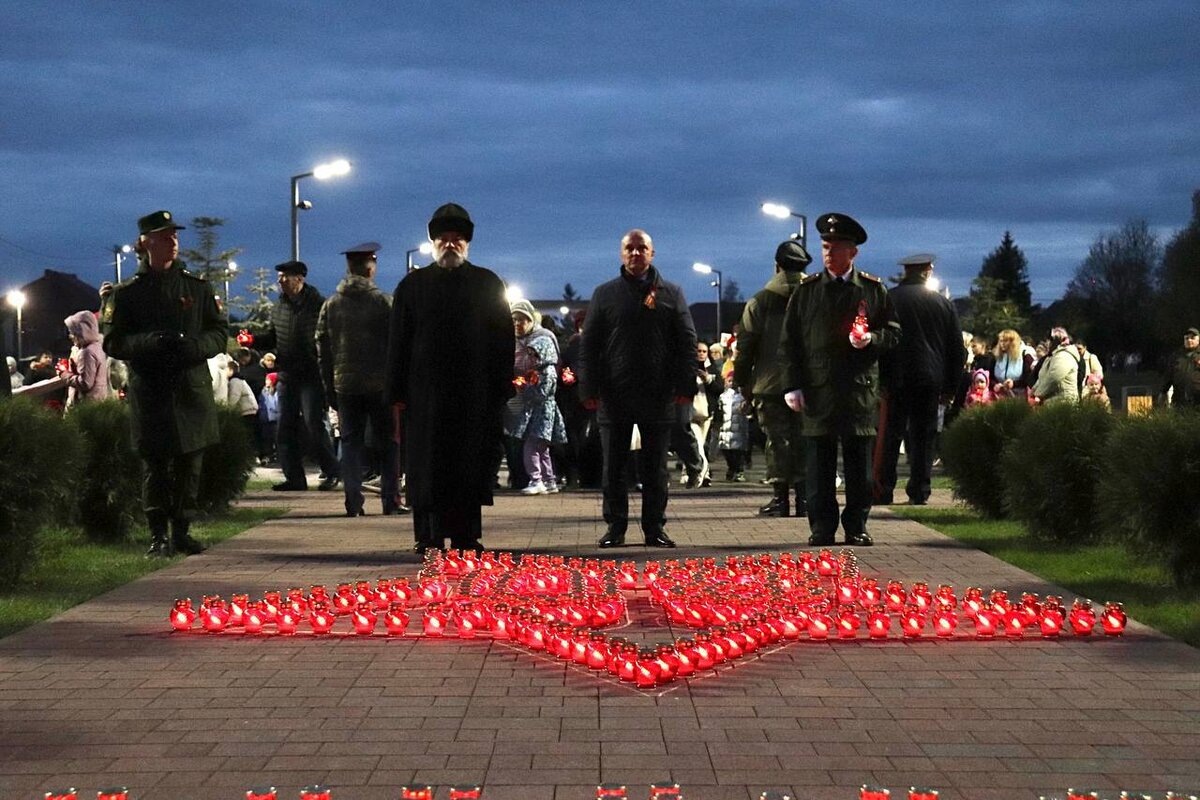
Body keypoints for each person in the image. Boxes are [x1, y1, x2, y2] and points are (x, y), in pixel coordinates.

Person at [384, 203, 514, 554]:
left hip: (474, 393)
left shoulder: (487, 283)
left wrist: (501, 386)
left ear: (467, 243)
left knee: (467, 465)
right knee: (426, 467)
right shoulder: (412, 286)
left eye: (457, 239)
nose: (451, 244)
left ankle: (466, 535)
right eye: (444, 238)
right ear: (433, 243)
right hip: (424, 395)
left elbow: (503, 339)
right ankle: (427, 535)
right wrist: (395, 391)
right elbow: (398, 341)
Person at [102, 210, 226, 557]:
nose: (172, 241)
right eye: (164, 236)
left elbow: (219, 331)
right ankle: (158, 536)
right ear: (145, 243)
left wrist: (195, 347)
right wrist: (148, 342)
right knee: (155, 467)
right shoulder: (127, 294)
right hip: (151, 389)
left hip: (190, 387)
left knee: (190, 466)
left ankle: (182, 532)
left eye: (175, 235)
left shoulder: (196, 287)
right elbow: (113, 342)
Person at [781, 212, 900, 547]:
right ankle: (821, 527)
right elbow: (789, 342)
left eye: (836, 247)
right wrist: (791, 384)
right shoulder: (807, 291)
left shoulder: (873, 290)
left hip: (857, 390)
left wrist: (871, 339)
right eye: (825, 246)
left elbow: (893, 333)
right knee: (818, 467)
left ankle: (856, 525)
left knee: (859, 467)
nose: (829, 253)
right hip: (818, 390)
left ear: (853, 252)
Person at [578, 229, 698, 549]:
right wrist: (588, 388)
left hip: (657, 394)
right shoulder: (605, 294)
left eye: (641, 248)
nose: (635, 253)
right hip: (614, 394)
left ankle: (654, 528)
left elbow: (687, 342)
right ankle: (615, 527)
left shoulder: (671, 293)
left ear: (651, 253)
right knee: (613, 468)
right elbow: (589, 345)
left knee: (655, 469)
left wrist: (686, 385)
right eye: (629, 248)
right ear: (621, 254)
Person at [316, 241, 402, 517]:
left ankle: (353, 503)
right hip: (381, 385)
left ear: (348, 268)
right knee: (388, 444)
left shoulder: (331, 304)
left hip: (345, 385)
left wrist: (329, 387)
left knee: (351, 444)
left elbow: (322, 349)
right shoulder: (384, 302)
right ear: (371, 269)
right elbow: (398, 345)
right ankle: (391, 500)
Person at [874, 253, 961, 506]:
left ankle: (884, 488)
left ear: (906, 272)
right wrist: (950, 387)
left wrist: (880, 379)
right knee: (924, 436)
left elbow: (880, 342)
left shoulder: (889, 299)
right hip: (929, 378)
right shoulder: (943, 304)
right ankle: (920, 490)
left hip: (896, 377)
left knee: (891, 435)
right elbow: (956, 349)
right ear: (928, 271)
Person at [734, 238, 812, 518]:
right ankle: (805, 499)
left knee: (777, 441)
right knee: (805, 438)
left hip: (770, 383)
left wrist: (742, 381)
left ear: (777, 266)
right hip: (809, 383)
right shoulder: (814, 297)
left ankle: (780, 499)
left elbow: (746, 346)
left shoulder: (760, 301)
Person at [260, 259, 340, 492]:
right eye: (280, 277)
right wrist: (254, 341)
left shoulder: (318, 305)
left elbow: (329, 339)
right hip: (287, 374)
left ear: (300, 279)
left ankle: (332, 471)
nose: (281, 281)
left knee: (313, 424)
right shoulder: (279, 306)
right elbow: (273, 337)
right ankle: (294, 478)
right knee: (284, 427)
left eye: (285, 277)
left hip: (312, 375)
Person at [507, 299, 568, 495]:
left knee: (531, 447)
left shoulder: (544, 365)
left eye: (522, 319)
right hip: (538, 412)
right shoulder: (515, 343)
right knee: (541, 448)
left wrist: (524, 386)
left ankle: (536, 479)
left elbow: (541, 392)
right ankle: (549, 480)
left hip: (539, 413)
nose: (517, 324)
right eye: (514, 319)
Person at [62, 310, 110, 408]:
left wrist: (64, 374)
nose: (70, 336)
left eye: (72, 332)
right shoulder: (97, 347)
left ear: (81, 332)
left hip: (84, 405)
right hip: (96, 401)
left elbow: (85, 383)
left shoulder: (87, 352)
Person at [1032, 326, 1082, 405]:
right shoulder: (1051, 356)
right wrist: (1033, 391)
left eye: (1049, 340)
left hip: (1064, 403)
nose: (1047, 343)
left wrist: (1038, 394)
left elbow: (1054, 378)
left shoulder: (1064, 356)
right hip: (1052, 402)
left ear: (1056, 340)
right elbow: (1043, 377)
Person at [717, 373, 750, 481]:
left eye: (733, 381)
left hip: (739, 427)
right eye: (729, 381)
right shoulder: (722, 396)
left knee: (738, 452)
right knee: (726, 451)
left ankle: (739, 470)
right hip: (725, 427)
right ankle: (731, 468)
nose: (731, 383)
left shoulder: (743, 396)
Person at [1161, 326, 1200, 408]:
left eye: (1192, 338)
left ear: (1198, 340)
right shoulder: (1176, 356)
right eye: (1187, 338)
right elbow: (1168, 376)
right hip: (1179, 402)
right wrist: (1163, 392)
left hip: (1198, 402)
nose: (1189, 340)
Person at [992, 328, 1034, 399]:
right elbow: (990, 376)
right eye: (1001, 341)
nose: (1002, 344)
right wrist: (995, 384)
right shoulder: (996, 357)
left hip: (1019, 396)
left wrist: (1014, 384)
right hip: (999, 396)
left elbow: (1029, 378)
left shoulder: (1025, 356)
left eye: (1005, 341)